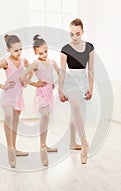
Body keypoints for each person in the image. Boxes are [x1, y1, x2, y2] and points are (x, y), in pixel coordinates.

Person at [0, 34, 30, 168]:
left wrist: (26, 81)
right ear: (8, 50)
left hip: (19, 96)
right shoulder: (5, 62)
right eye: (15, 50)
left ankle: (14, 147)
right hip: (8, 95)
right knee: (9, 117)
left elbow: (31, 71)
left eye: (20, 49)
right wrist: (2, 85)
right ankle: (10, 148)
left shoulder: (24, 60)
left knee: (16, 121)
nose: (19, 52)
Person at [58, 18, 95, 164]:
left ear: (83, 32)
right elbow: (62, 70)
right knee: (76, 108)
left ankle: (73, 142)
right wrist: (60, 89)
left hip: (83, 80)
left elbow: (91, 69)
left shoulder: (89, 47)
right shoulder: (66, 48)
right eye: (71, 34)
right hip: (70, 81)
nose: (74, 37)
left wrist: (91, 87)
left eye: (77, 34)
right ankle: (84, 143)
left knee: (76, 112)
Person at [21, 35, 59, 166]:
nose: (44, 54)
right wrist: (35, 84)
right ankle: (42, 146)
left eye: (46, 51)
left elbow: (60, 74)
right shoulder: (35, 64)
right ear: (35, 52)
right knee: (44, 115)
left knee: (47, 118)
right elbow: (23, 76)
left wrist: (55, 83)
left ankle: (44, 144)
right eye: (40, 53)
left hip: (50, 92)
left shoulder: (52, 62)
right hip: (41, 93)